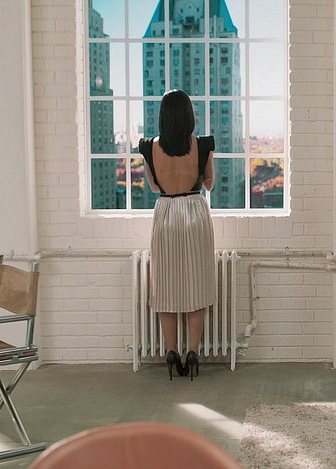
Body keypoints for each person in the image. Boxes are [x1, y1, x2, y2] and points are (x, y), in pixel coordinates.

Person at [139, 89, 215, 380]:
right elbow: (209, 184)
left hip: (166, 212)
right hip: (194, 211)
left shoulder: (148, 147)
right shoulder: (203, 145)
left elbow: (154, 187)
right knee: (197, 284)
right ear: (188, 116)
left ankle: (171, 353)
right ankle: (193, 352)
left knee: (165, 286)